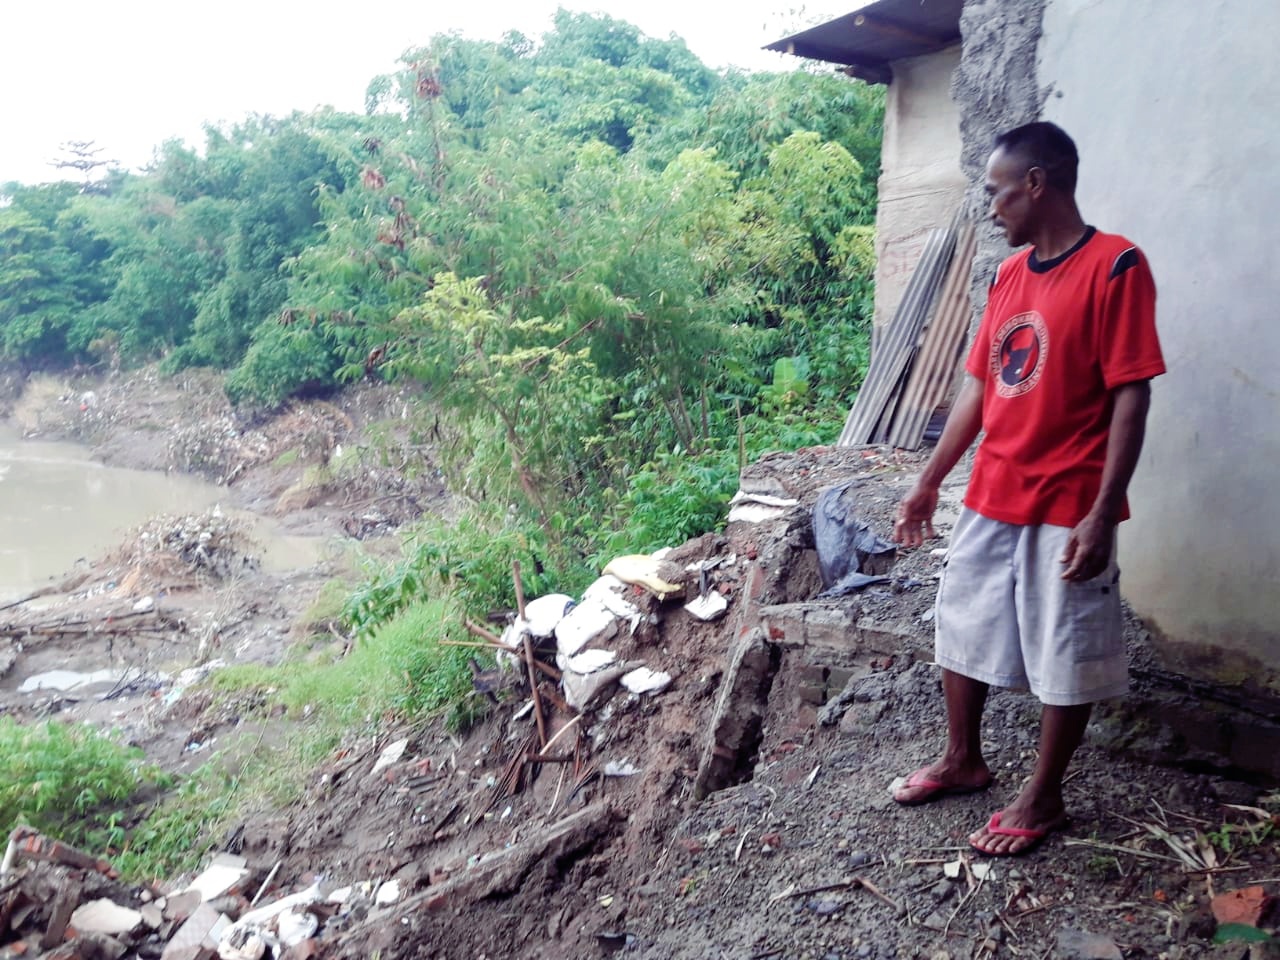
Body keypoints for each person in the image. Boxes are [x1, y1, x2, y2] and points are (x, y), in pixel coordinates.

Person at [890, 121, 1165, 856]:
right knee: (963, 621)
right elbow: (979, 386)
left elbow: (1131, 397)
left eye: (996, 191)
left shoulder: (1116, 267)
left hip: (1070, 499)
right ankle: (963, 760)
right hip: (994, 489)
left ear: (1035, 184)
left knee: (1064, 645)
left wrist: (1104, 513)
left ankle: (1043, 798)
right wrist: (928, 483)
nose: (990, 206)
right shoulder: (1010, 276)